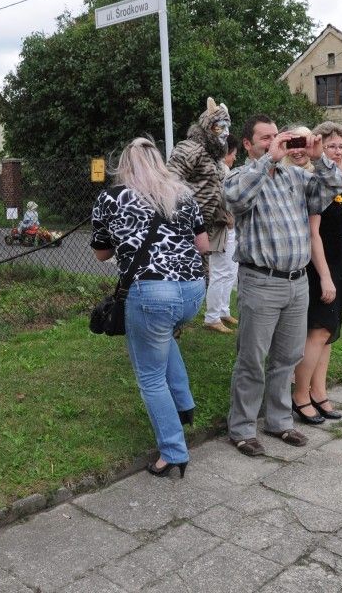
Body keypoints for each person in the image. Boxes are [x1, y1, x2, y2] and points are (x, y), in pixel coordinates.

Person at [224, 115, 342, 457]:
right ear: (247, 144)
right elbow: (234, 199)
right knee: (252, 359)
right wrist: (268, 160)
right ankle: (242, 428)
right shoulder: (240, 176)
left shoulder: (296, 176)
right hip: (261, 281)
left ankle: (278, 421)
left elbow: (332, 188)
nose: (274, 142)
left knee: (287, 358)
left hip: (296, 282)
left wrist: (319, 157)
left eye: (277, 136)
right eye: (265, 138)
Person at [91, 137, 208, 479]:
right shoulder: (182, 193)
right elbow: (203, 244)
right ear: (159, 162)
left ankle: (173, 452)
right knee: (162, 337)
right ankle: (183, 405)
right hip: (192, 291)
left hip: (152, 294)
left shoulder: (111, 198)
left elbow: (101, 253)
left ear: (123, 165)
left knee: (150, 378)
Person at [292, 122, 342, 425]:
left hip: (336, 267)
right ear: (319, 149)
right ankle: (300, 395)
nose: (338, 151)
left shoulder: (337, 183)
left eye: (341, 146)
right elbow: (313, 235)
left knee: (327, 335)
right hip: (319, 269)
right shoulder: (317, 181)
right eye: (331, 146)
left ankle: (319, 392)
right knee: (317, 332)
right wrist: (325, 276)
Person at [167, 97, 232, 275]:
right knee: (185, 273)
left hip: (204, 227)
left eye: (228, 127)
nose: (226, 133)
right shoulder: (191, 149)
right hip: (184, 228)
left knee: (201, 274)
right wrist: (184, 217)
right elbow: (169, 184)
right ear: (208, 126)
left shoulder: (214, 156)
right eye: (220, 127)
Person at [203, 134, 240, 333]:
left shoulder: (223, 170)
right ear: (226, 153)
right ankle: (212, 317)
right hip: (221, 228)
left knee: (230, 271)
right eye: (233, 154)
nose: (234, 158)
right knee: (220, 272)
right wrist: (226, 217)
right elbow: (217, 199)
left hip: (229, 228)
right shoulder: (219, 170)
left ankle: (223, 310)